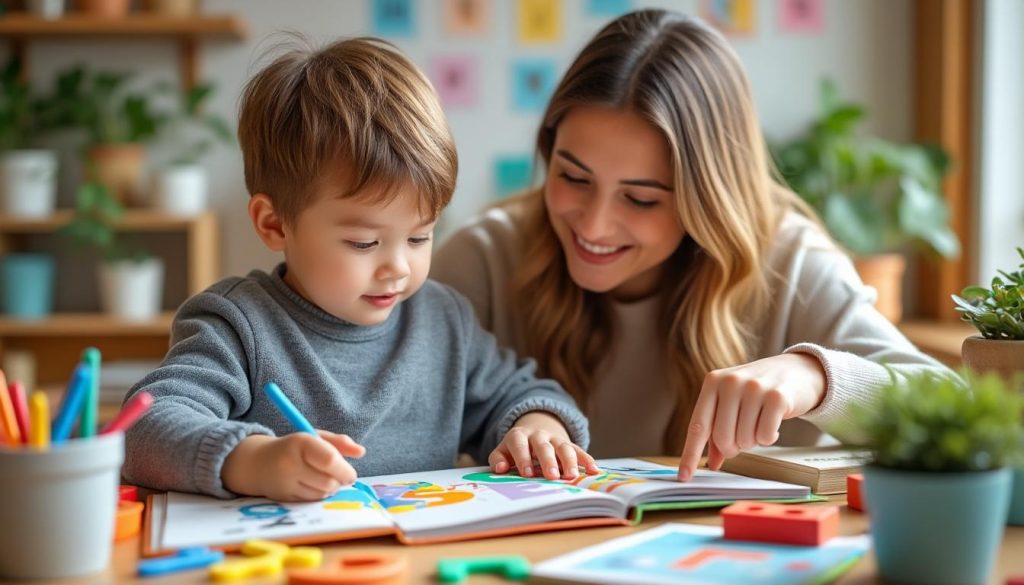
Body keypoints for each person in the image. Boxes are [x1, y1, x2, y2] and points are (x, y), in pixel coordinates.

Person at [432, 9, 952, 482]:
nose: (594, 224)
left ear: (707, 198)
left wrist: (813, 376)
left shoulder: (790, 262)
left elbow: (954, 409)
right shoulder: (486, 258)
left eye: (641, 199)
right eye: (573, 176)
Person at [122, 37, 597, 502]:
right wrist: (251, 461)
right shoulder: (236, 324)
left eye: (419, 236)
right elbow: (143, 427)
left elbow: (520, 392)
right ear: (274, 224)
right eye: (364, 242)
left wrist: (537, 426)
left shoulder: (442, 320)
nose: (397, 266)